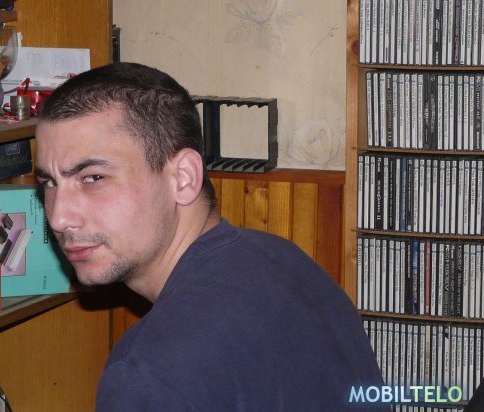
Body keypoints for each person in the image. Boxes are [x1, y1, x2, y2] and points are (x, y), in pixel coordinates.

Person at [35, 62, 386, 411]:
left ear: (183, 178)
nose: (59, 217)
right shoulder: (282, 258)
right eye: (49, 182)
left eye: (93, 178)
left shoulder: (151, 371)